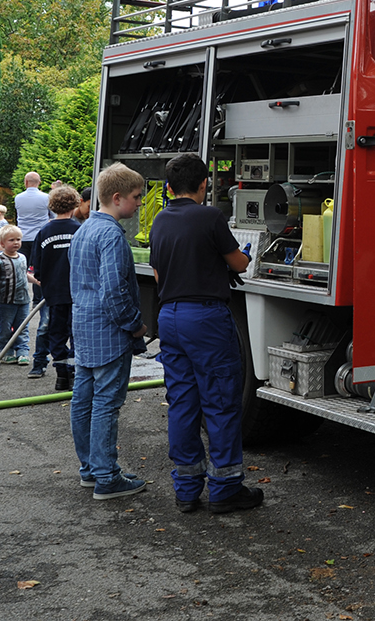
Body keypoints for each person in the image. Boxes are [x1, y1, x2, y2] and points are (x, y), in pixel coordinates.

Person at [148, 152, 261, 514]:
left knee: (182, 402)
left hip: (170, 316)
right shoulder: (210, 216)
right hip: (206, 319)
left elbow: (159, 275)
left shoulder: (160, 220)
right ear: (204, 184)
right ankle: (226, 488)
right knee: (221, 401)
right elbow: (239, 263)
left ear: (169, 188)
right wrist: (242, 256)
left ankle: (186, 489)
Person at [68, 163, 149, 500]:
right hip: (109, 333)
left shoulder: (83, 229)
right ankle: (107, 476)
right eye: (137, 197)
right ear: (117, 198)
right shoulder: (112, 235)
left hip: (84, 328)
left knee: (83, 400)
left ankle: (90, 469)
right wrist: (135, 325)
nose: (140, 203)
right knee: (105, 403)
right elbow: (114, 292)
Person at [29, 185, 81, 387]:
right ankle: (75, 372)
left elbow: (37, 266)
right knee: (76, 333)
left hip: (53, 293)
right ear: (75, 205)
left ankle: (61, 375)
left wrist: (44, 280)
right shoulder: (79, 230)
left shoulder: (44, 232)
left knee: (56, 334)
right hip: (77, 292)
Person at [0, 225, 32, 365]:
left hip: (23, 300)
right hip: (6, 301)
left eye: (18, 239)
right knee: (5, 328)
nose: (16, 242)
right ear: (2, 243)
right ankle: (7, 352)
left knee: (22, 327)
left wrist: (36, 281)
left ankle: (22, 352)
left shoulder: (23, 258)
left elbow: (24, 274)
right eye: (11, 240)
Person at [13, 171, 50, 256]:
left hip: (23, 236)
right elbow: (52, 216)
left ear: (26, 182)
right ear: (39, 182)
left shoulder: (18, 198)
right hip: (40, 236)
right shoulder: (46, 197)